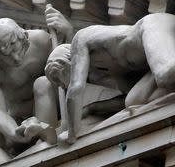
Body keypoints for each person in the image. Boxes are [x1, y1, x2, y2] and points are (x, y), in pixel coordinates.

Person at [48, 13, 175, 143]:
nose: (63, 87)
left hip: (153, 26)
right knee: (133, 101)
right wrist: (92, 108)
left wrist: (71, 133)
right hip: (159, 55)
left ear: (66, 62)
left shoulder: (80, 40)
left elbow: (75, 88)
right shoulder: (112, 73)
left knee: (164, 75)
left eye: (60, 79)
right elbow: (124, 101)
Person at [0, 8, 73, 166]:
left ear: (24, 37)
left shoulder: (41, 40)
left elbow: (67, 64)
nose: (15, 58)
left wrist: (69, 33)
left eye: (16, 49)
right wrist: (15, 133)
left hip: (53, 102)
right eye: (6, 56)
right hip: (21, 116)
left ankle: (46, 142)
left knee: (42, 83)